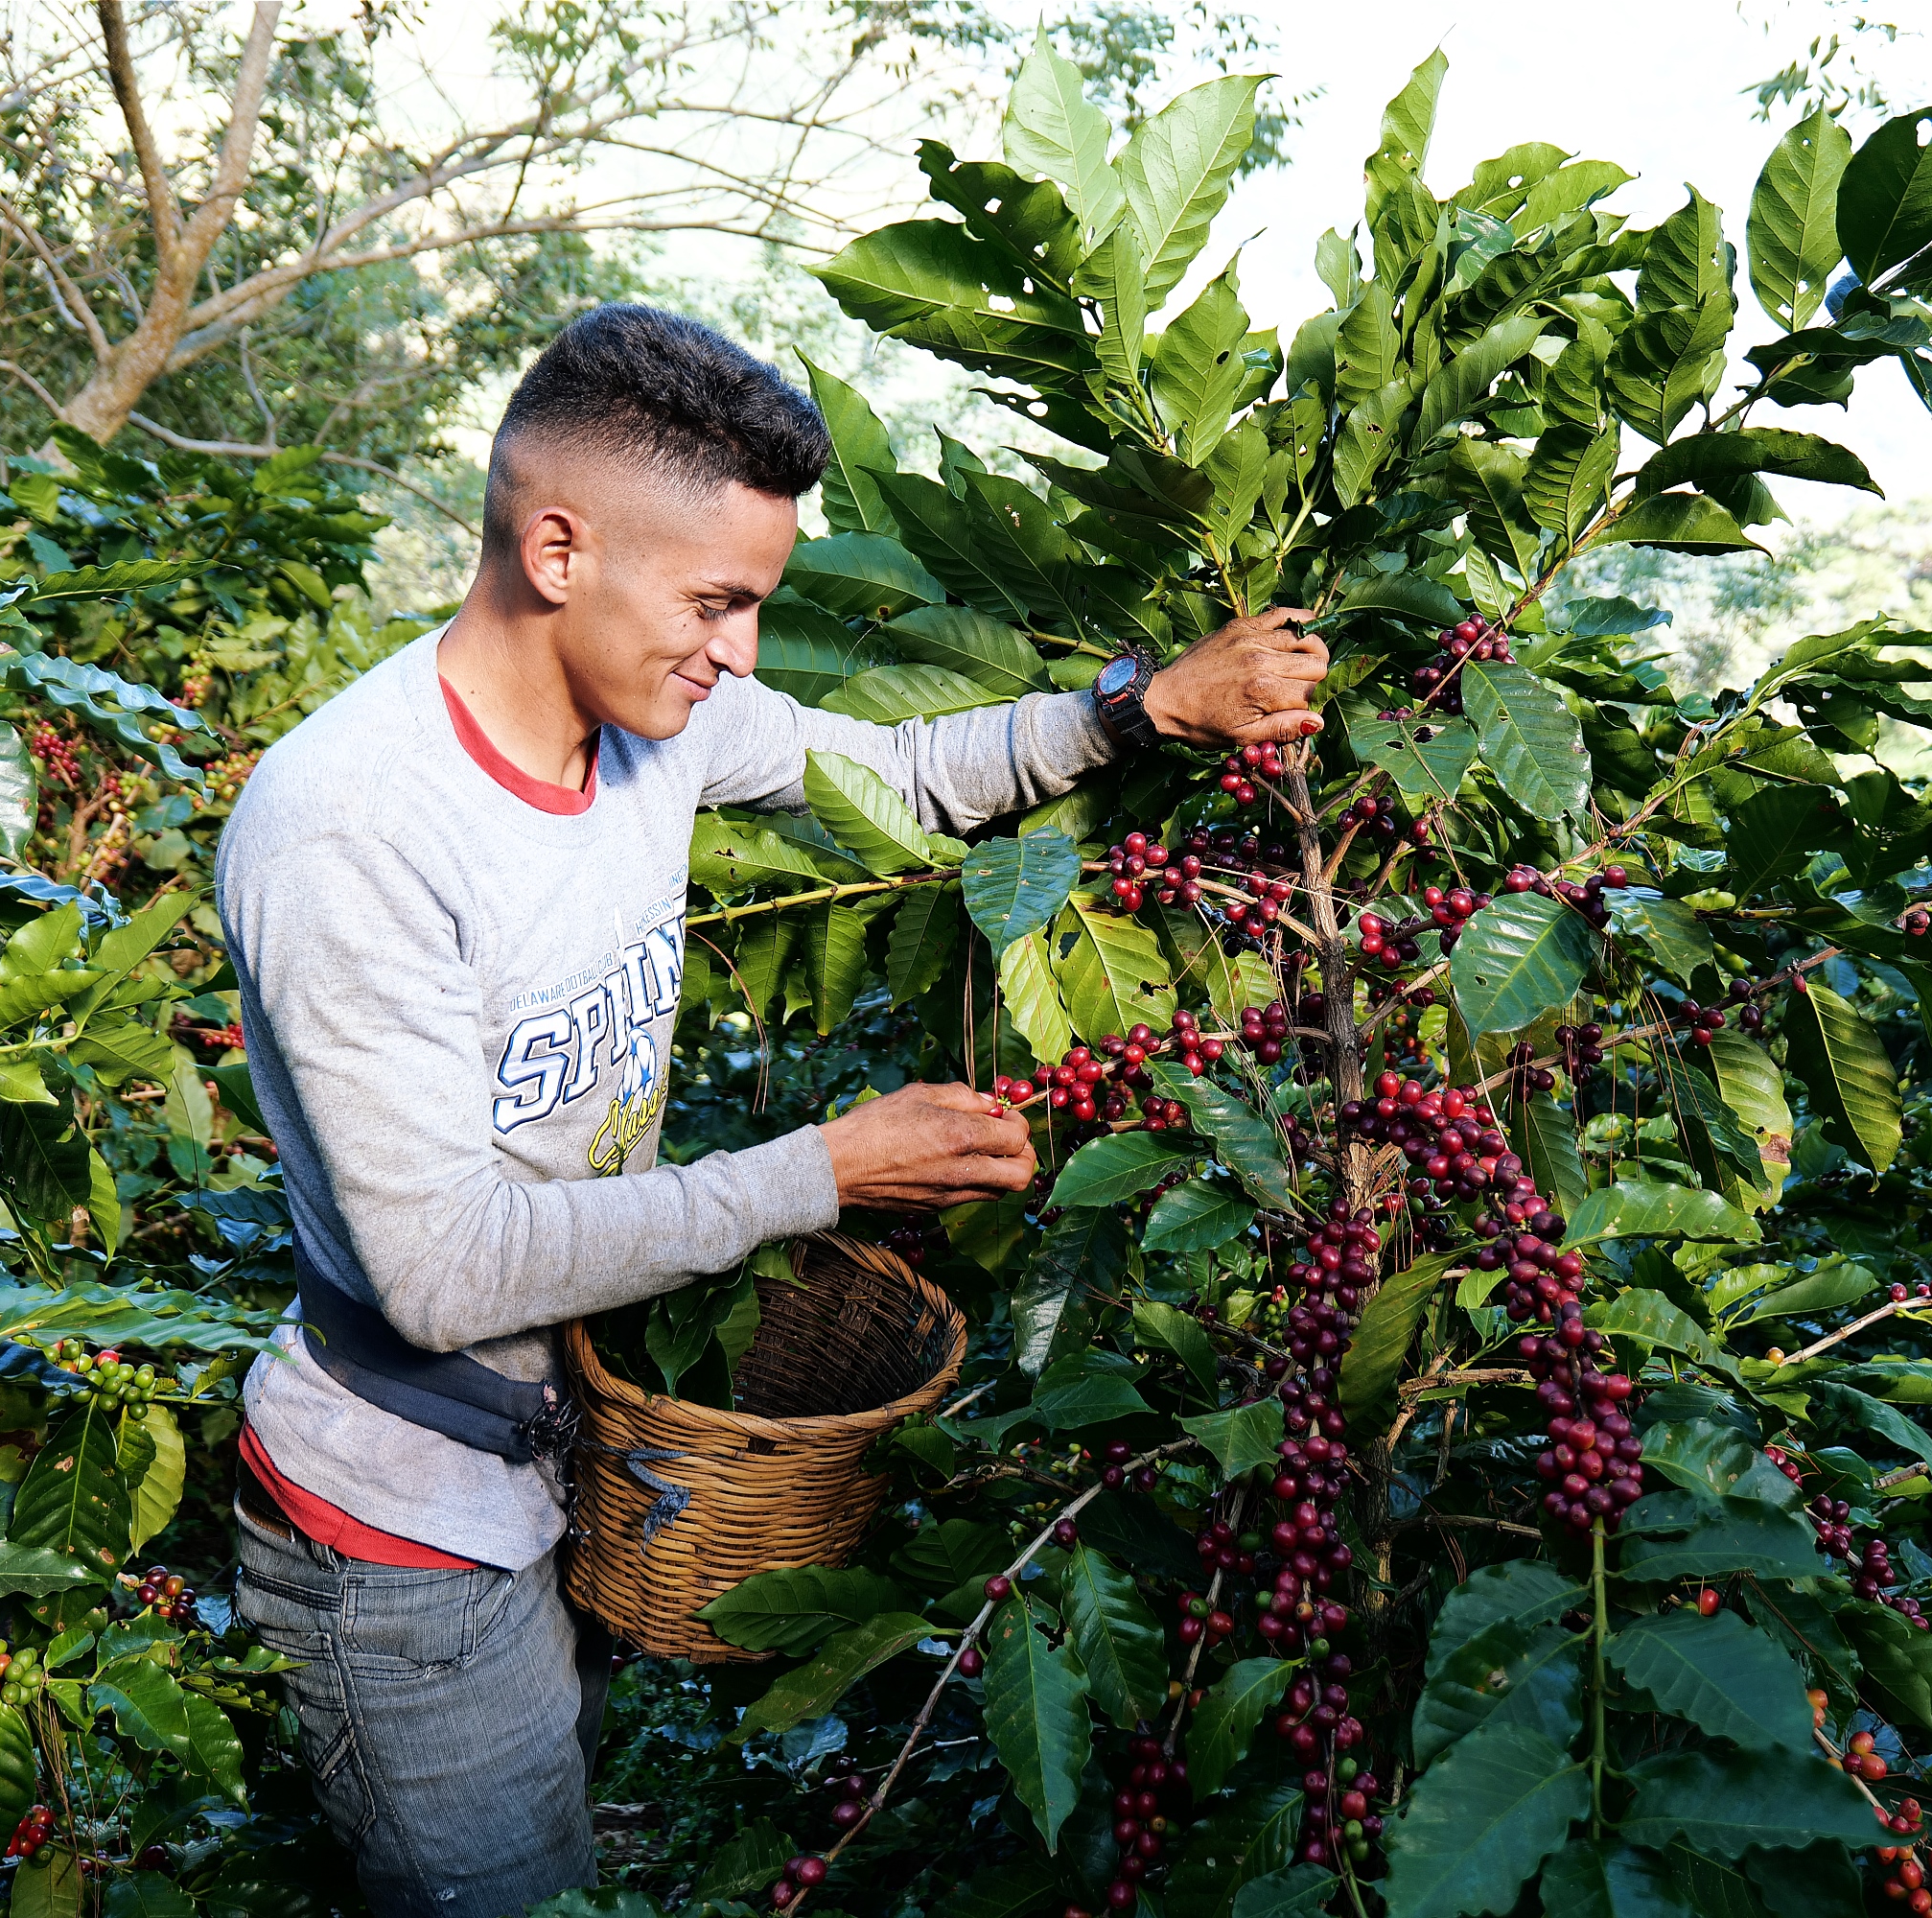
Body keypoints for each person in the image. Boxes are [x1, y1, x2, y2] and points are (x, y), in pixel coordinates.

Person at [216, 303, 1327, 1915]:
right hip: (396, 1525)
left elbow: (911, 773)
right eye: (717, 602)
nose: (740, 651)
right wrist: (821, 1170)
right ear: (555, 548)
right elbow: (443, 1273)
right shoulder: (351, 827)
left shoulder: (657, 720)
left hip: (576, 1443)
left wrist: (1141, 706)